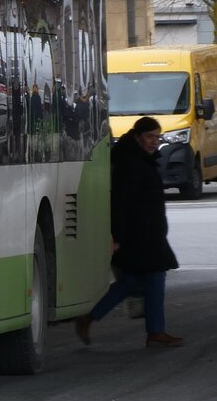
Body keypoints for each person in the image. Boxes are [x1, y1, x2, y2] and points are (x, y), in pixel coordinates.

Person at [74, 116, 183, 348]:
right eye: (149, 137)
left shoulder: (140, 159)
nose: (154, 142)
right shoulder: (133, 164)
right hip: (140, 235)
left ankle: (89, 318)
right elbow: (122, 203)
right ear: (137, 137)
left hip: (146, 233)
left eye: (157, 137)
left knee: (132, 281)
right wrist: (118, 237)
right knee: (155, 277)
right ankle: (155, 331)